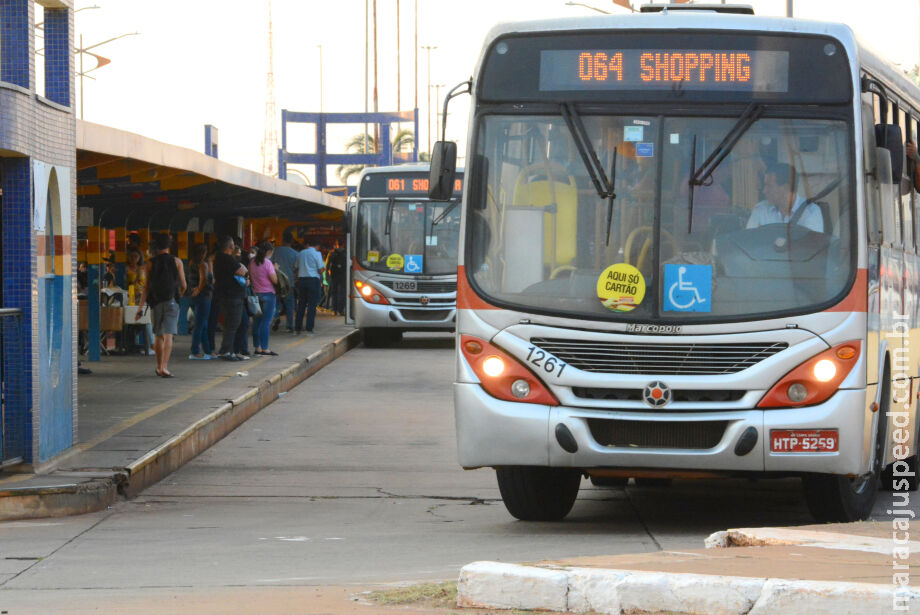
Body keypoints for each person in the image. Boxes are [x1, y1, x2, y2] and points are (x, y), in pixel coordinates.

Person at [136, 233, 186, 378]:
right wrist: (180, 294)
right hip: (172, 301)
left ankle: (158, 366)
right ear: (169, 246)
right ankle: (164, 367)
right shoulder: (177, 262)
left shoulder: (150, 263)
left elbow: (146, 288)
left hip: (156, 302)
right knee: (168, 334)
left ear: (156, 246)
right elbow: (183, 285)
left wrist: (140, 308)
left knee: (158, 335)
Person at [746, 163, 823, 233]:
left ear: (786, 188)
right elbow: (749, 242)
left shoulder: (810, 212)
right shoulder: (760, 210)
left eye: (769, 186)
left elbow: (812, 246)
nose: (764, 191)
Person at [213, 235, 248, 361]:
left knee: (230, 324)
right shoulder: (226, 258)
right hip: (232, 297)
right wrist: (242, 267)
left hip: (225, 296)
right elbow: (242, 271)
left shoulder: (218, 258)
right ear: (231, 247)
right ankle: (226, 351)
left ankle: (229, 350)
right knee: (233, 324)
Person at [249, 241, 279, 356]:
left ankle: (257, 347)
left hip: (256, 294)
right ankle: (265, 348)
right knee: (266, 322)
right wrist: (276, 269)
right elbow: (275, 280)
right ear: (269, 252)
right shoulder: (268, 263)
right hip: (268, 295)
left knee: (257, 322)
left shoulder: (252, 262)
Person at [187, 244, 214, 360]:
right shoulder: (203, 264)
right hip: (203, 296)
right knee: (200, 325)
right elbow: (203, 280)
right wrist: (198, 290)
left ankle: (208, 350)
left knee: (203, 324)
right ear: (203, 253)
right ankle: (194, 351)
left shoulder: (191, 263)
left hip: (195, 296)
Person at [126, 248, 154, 355]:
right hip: (129, 296)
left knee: (147, 320)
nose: (133, 259)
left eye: (136, 257)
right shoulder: (124, 269)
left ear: (139, 258)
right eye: (131, 256)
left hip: (142, 297)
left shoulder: (142, 269)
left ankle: (151, 344)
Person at [294, 238, 325, 334]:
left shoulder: (301, 253)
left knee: (301, 305)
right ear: (318, 246)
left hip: (302, 281)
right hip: (313, 281)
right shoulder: (317, 254)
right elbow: (320, 270)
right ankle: (309, 328)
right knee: (312, 305)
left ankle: (297, 327)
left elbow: (295, 267)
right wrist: (322, 270)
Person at [271, 232, 298, 332]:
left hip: (276, 281)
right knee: (289, 304)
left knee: (275, 302)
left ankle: (276, 317)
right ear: (291, 241)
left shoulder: (275, 251)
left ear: (282, 240)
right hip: (288, 282)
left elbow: (270, 264)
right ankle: (289, 326)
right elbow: (296, 269)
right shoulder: (295, 254)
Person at [327, 240, 347, 316]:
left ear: (336, 244)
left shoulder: (331, 253)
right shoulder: (346, 253)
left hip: (334, 275)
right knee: (343, 292)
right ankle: (341, 310)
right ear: (343, 245)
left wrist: (327, 276)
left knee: (334, 292)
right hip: (343, 275)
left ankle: (334, 310)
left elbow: (328, 265)